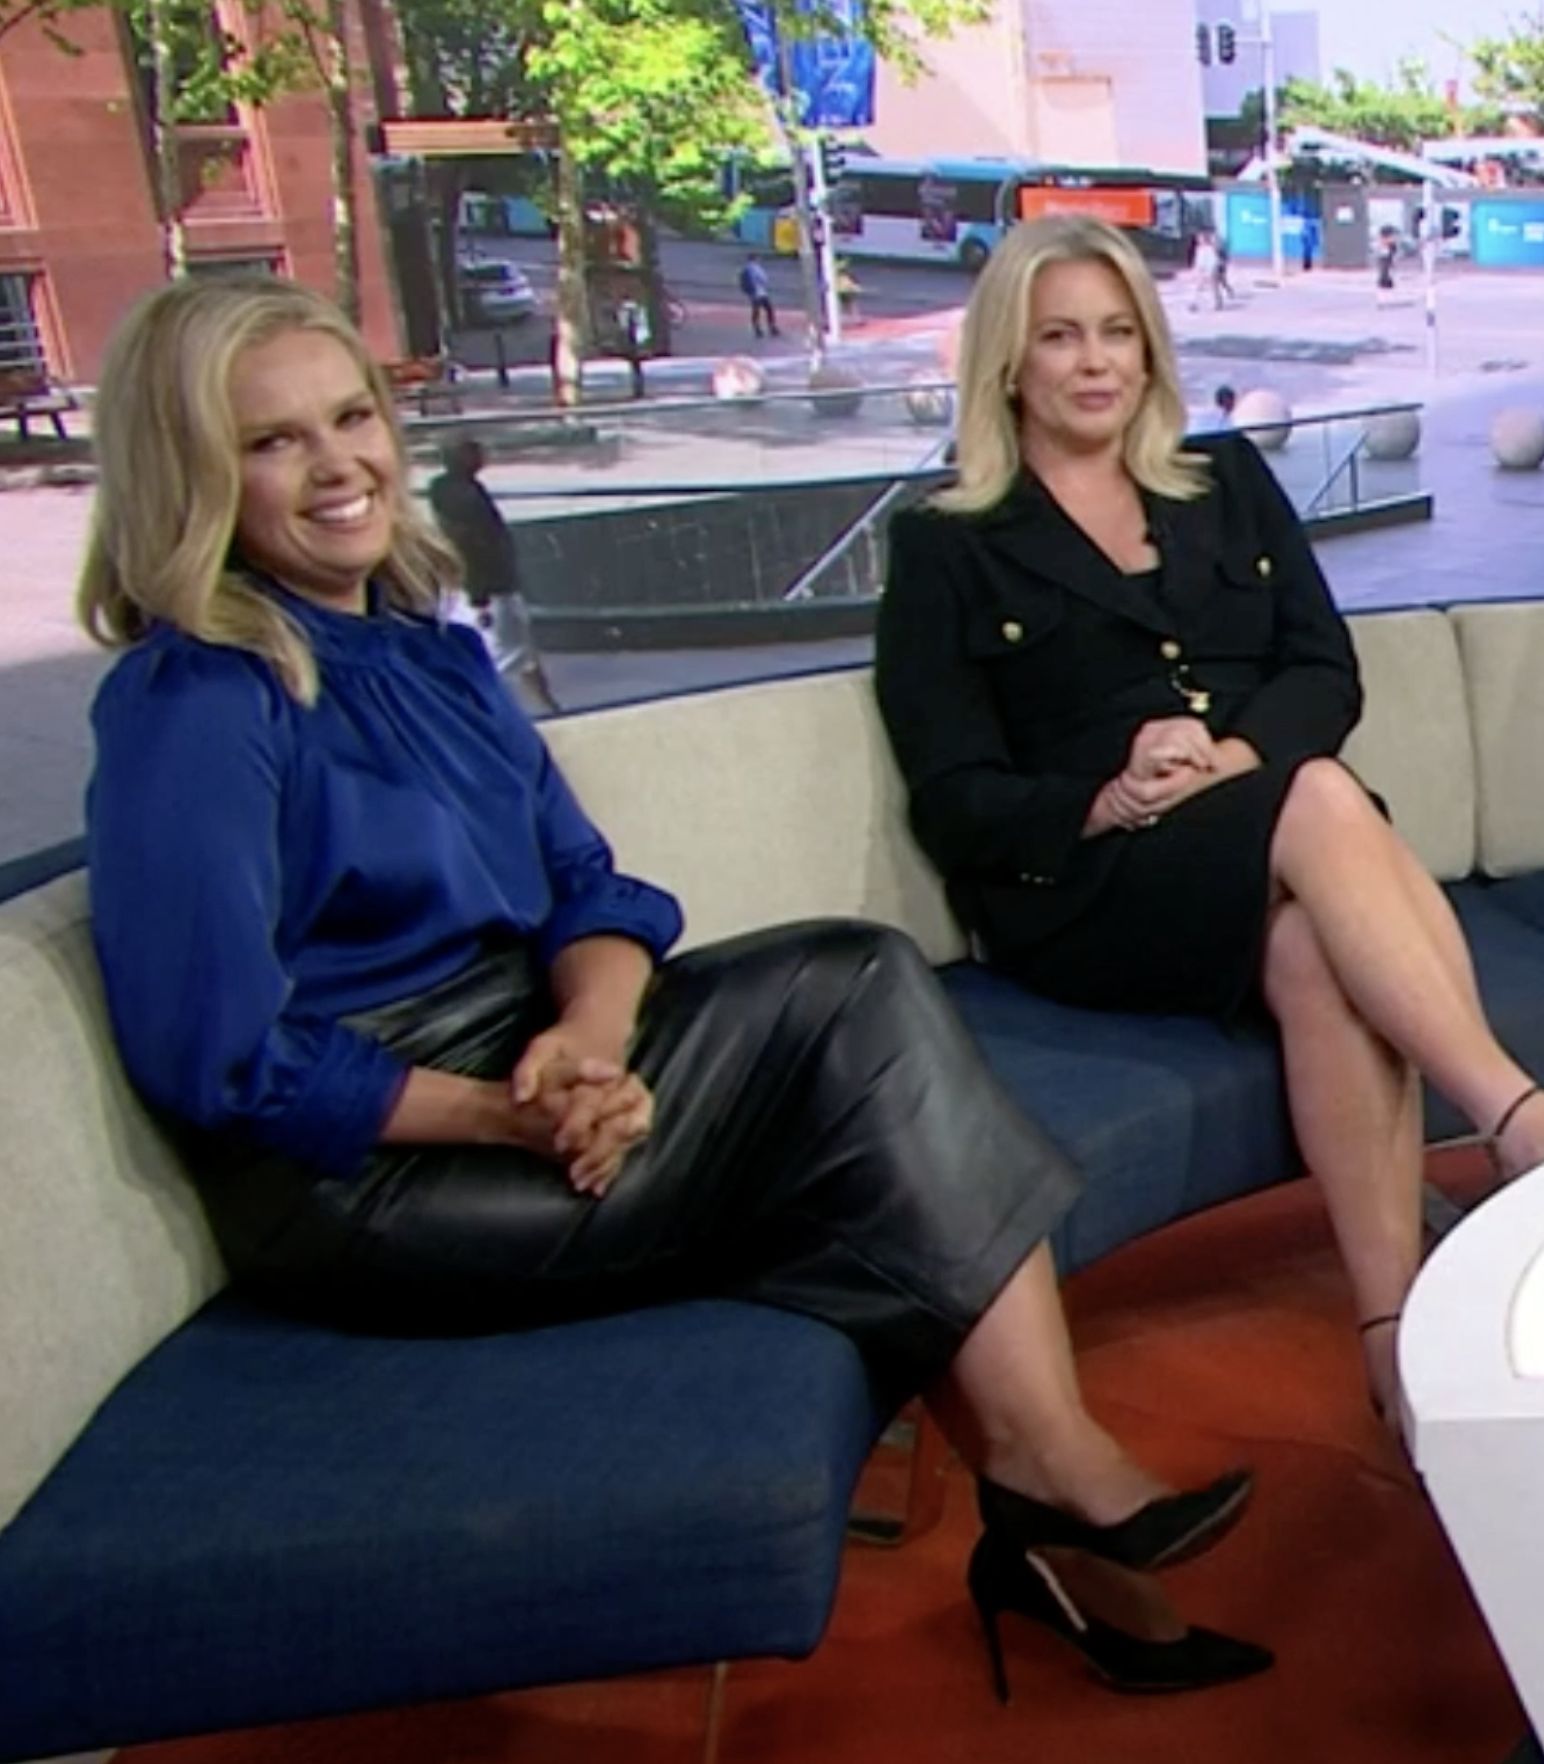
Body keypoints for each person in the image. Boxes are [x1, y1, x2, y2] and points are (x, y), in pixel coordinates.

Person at [77, 275, 1270, 1700]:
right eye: (274, 442)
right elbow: (217, 1057)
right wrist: (504, 1114)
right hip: (369, 1170)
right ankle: (1050, 1481)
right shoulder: (199, 702)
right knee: (853, 1012)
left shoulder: (427, 654)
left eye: (353, 418)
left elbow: (589, 888)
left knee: (863, 1078)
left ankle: (1060, 1529)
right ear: (194, 474)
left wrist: (590, 1039)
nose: (339, 466)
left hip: (526, 1068)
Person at [874, 215, 1544, 1430]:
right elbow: (954, 796)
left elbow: (1321, 672)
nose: (1094, 362)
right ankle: (1514, 1115)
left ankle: (1392, 1344)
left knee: (1308, 947)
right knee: (1320, 795)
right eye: (1059, 337)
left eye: (1116, 333)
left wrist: (1228, 761)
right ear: (1008, 362)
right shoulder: (945, 544)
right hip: (1086, 888)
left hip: (1266, 849)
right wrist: (1109, 795)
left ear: (1149, 349)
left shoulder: (1223, 483)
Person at [427, 435, 560, 716]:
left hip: (481, 586)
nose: (483, 458)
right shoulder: (466, 498)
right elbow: (475, 545)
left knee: (515, 651)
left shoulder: (446, 490)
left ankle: (545, 704)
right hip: (492, 588)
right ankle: (528, 707)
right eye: (476, 453)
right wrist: (481, 593)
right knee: (508, 651)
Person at [739, 252, 780, 339]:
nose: (759, 260)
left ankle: (759, 328)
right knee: (767, 309)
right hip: (758, 292)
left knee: (758, 310)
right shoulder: (753, 268)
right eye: (757, 258)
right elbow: (762, 279)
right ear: (755, 259)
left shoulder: (748, 268)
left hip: (756, 292)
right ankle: (769, 327)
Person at [1188, 231, 1221, 312]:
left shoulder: (1210, 248)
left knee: (1213, 288)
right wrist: (1196, 269)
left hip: (1211, 270)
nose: (1199, 240)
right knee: (1198, 287)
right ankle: (1194, 303)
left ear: (1206, 239)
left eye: (1201, 239)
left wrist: (1210, 271)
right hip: (1201, 271)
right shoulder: (1199, 249)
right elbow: (1197, 261)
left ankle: (1217, 303)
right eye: (1198, 239)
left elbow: (1214, 261)